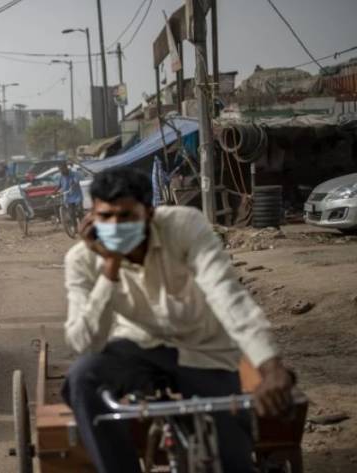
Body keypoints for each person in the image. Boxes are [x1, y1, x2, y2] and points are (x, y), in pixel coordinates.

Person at [61, 168, 295, 473]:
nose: (115, 225)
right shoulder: (80, 259)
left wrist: (270, 365)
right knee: (82, 378)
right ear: (91, 217)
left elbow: (226, 293)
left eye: (127, 216)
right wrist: (110, 266)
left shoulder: (185, 225)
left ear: (149, 212)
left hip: (205, 346)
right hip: (137, 344)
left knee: (233, 458)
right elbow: (85, 342)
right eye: (106, 216)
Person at [55, 161, 83, 226]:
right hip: (68, 197)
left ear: (66, 167)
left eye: (62, 169)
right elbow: (59, 186)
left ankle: (83, 224)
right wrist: (54, 192)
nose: (61, 171)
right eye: (60, 169)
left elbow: (76, 181)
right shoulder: (61, 176)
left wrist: (72, 186)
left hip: (77, 196)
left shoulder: (73, 174)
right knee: (71, 213)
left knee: (80, 211)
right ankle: (75, 228)